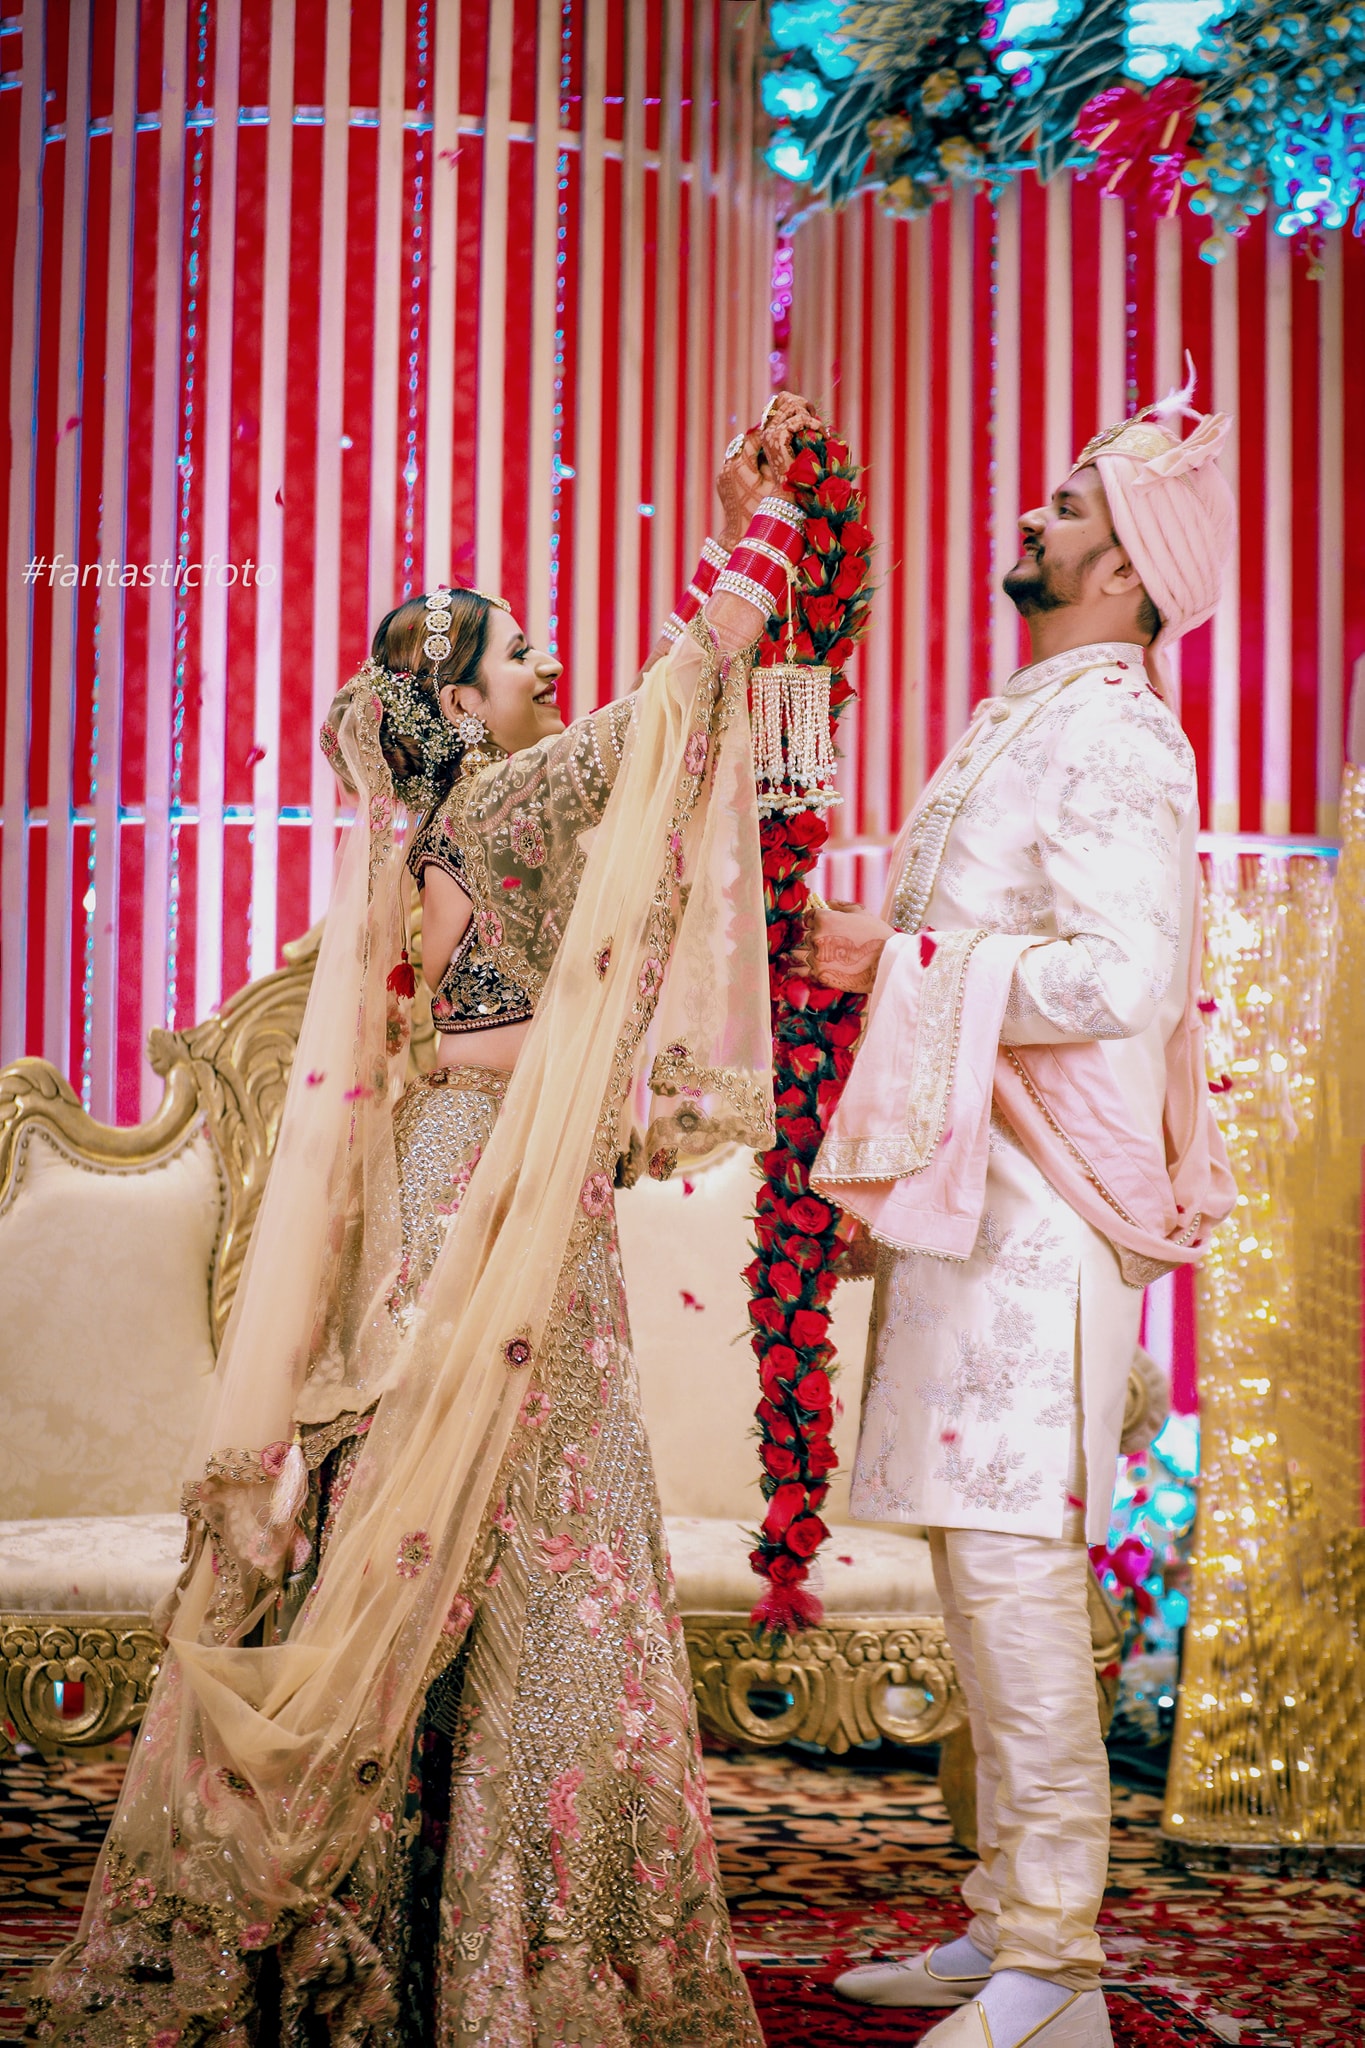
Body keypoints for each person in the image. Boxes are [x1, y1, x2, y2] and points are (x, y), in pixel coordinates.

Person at [30, 397, 823, 2046]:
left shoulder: (450, 837)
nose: (547, 667)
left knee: (455, 1533)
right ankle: (531, 1952)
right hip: (492, 1207)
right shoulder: (503, 808)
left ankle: (421, 1922)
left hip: (464, 1181)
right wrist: (758, 528)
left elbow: (485, 1021)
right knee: (544, 1533)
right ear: (458, 705)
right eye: (520, 654)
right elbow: (673, 699)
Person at [802, 381, 1237, 2048]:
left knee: (1010, 1562)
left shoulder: (1114, 731)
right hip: (979, 1195)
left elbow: (1122, 980)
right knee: (969, 1556)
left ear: (1123, 567)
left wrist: (900, 961)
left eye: (1066, 506)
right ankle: (1005, 1924)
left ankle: (1054, 1972)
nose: (1033, 518)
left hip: (1041, 1208)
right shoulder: (1035, 710)